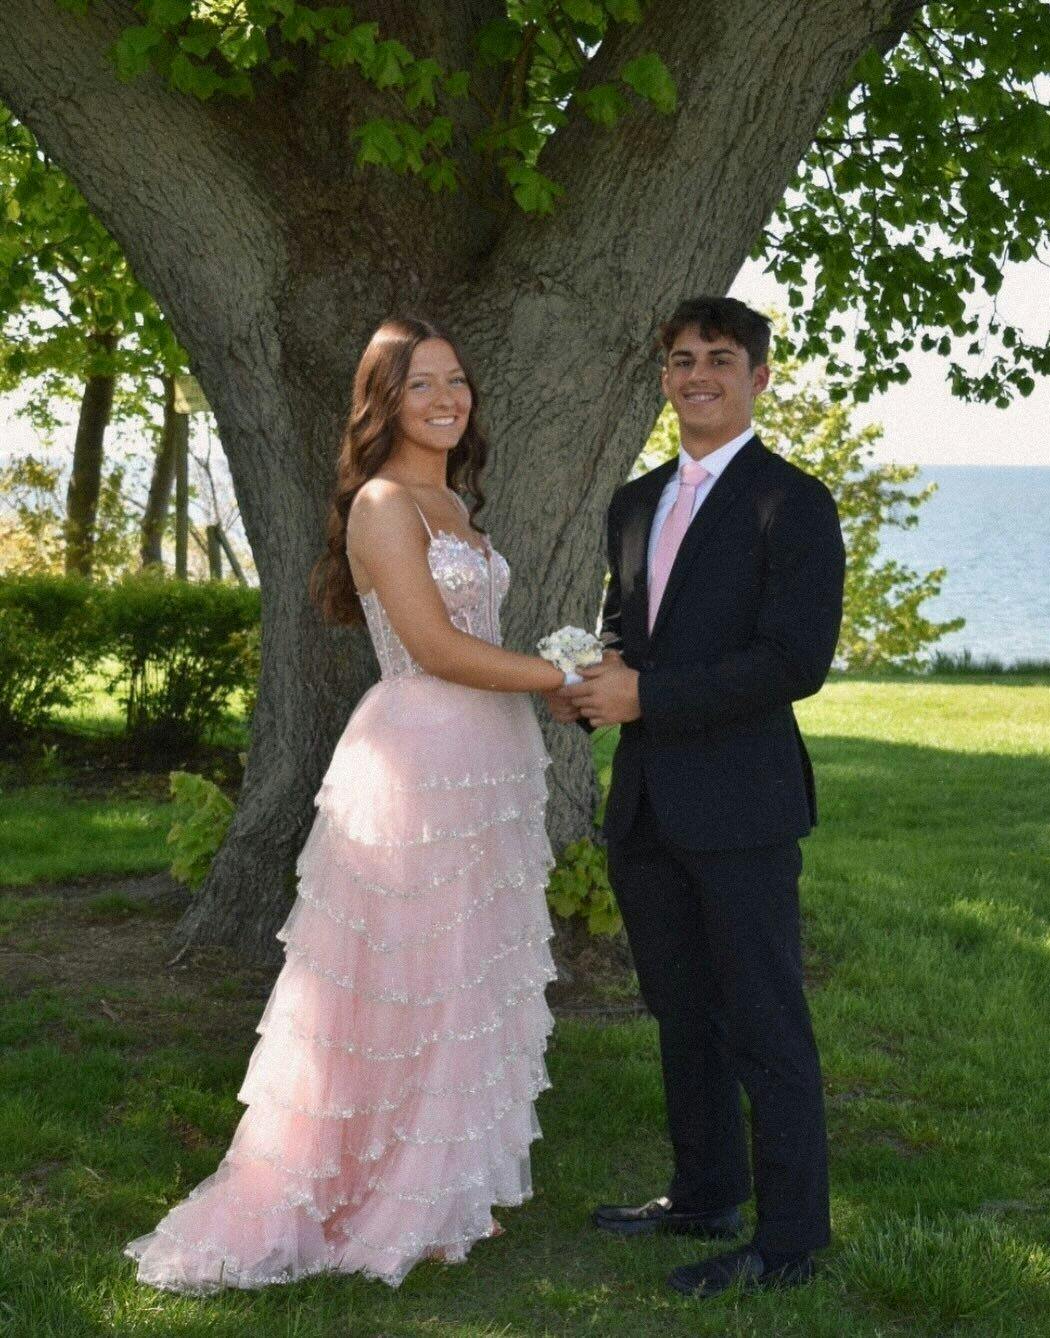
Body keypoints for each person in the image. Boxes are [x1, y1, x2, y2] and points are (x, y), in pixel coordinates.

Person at [126, 316, 568, 1293]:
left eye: (456, 380)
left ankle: (439, 1186)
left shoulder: (452, 501)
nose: (446, 399)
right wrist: (563, 675)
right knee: (403, 976)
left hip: (487, 755)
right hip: (420, 753)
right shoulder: (381, 503)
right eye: (421, 385)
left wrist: (541, 683)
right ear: (384, 403)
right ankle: (369, 1188)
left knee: (464, 971)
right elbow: (436, 646)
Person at [544, 296, 845, 1298]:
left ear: (758, 377)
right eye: (681, 359)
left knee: (765, 1020)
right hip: (646, 804)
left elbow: (794, 661)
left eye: (720, 358)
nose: (698, 375)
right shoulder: (633, 502)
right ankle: (706, 1193)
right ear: (664, 377)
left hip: (744, 806)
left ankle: (789, 1241)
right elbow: (628, 631)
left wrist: (650, 696)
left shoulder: (791, 502)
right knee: (682, 1013)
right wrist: (589, 687)